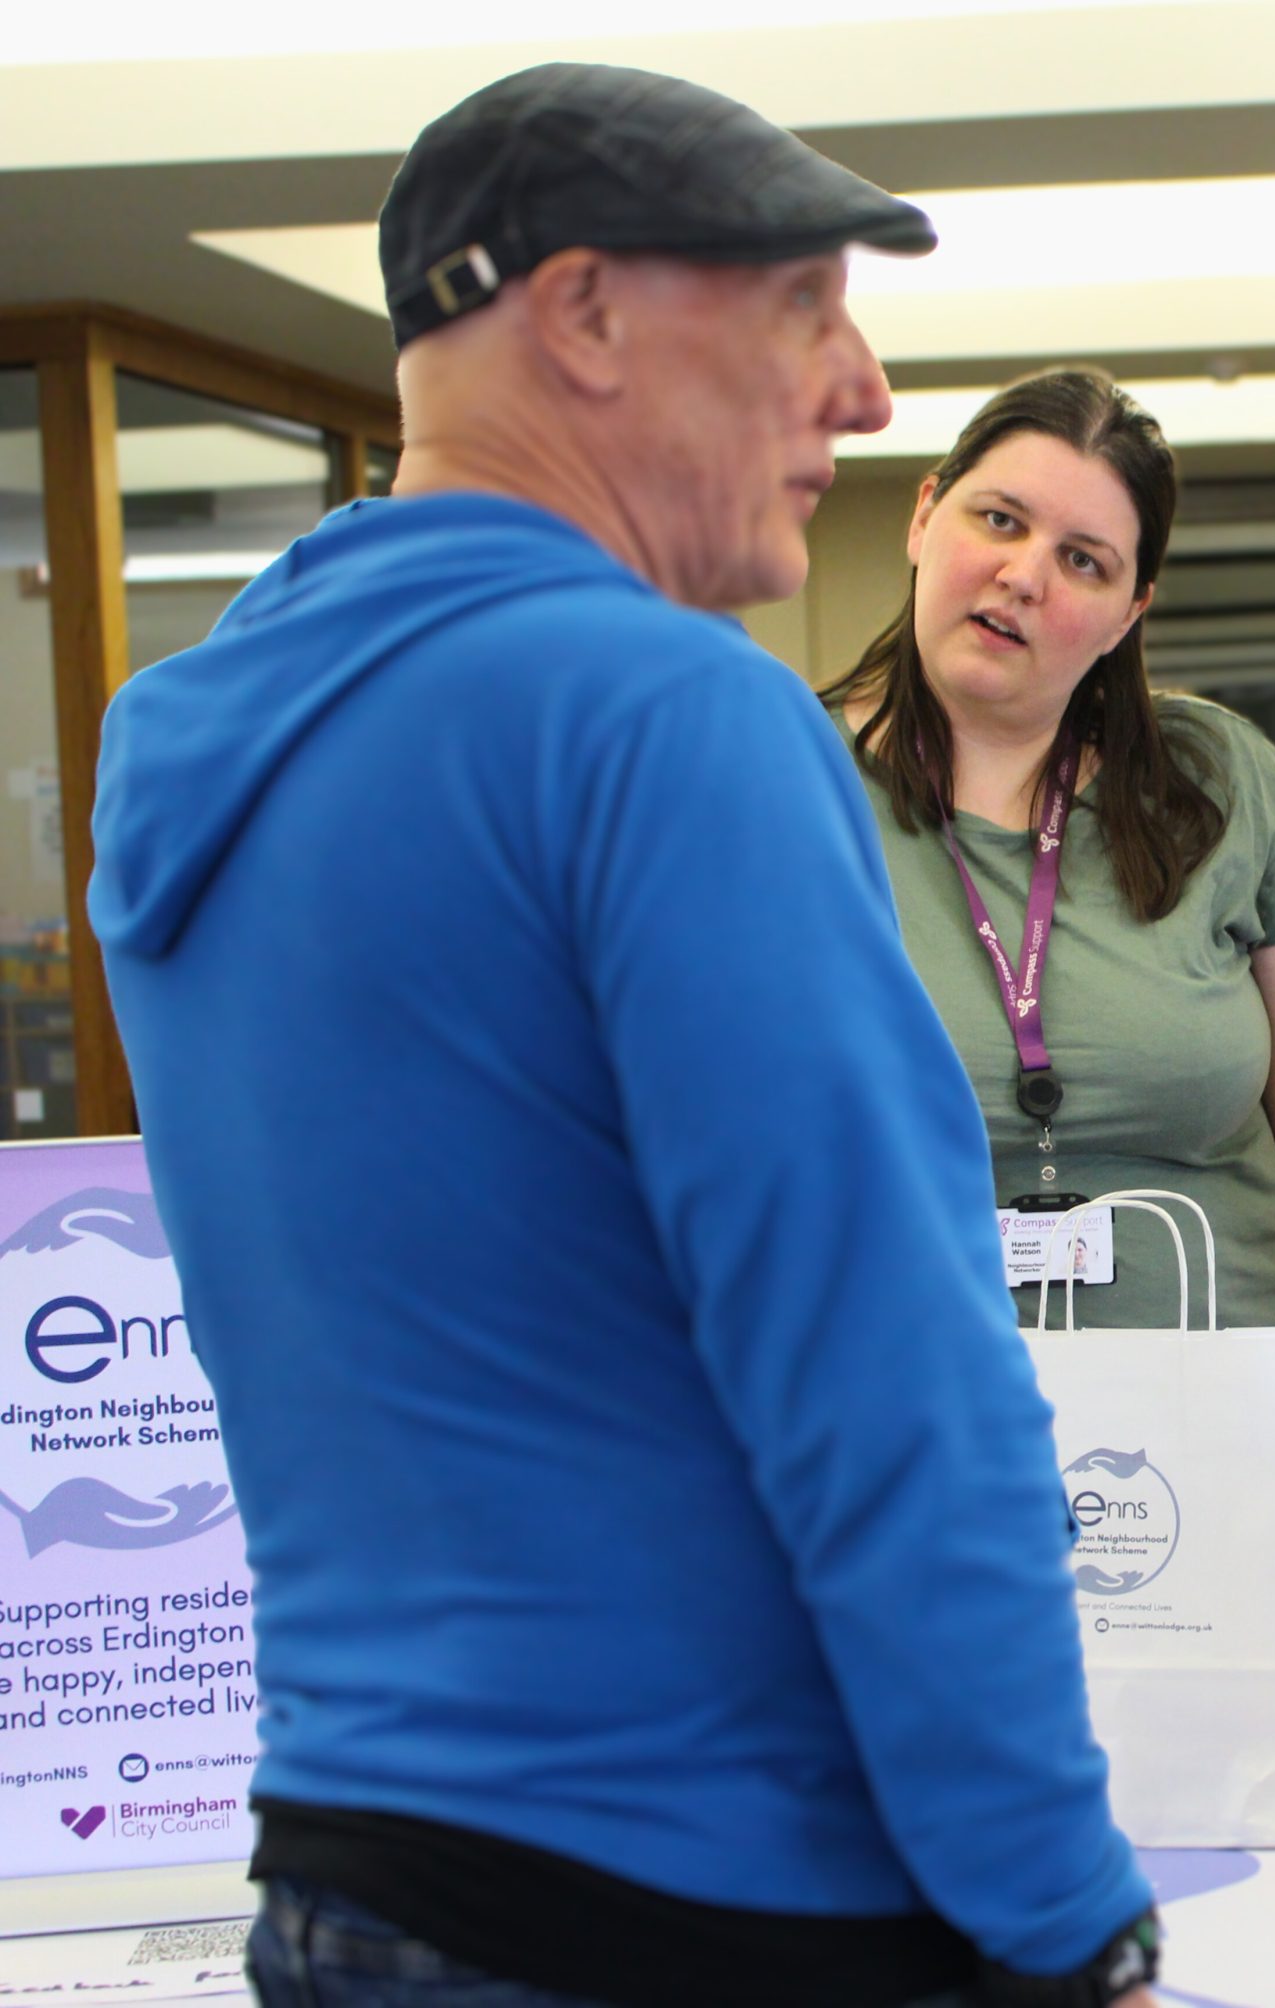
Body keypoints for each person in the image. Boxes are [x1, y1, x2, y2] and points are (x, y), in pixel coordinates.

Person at [90, 66, 1157, 2008]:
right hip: (696, 1893)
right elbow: (885, 1381)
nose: (858, 391)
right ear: (576, 313)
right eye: (798, 308)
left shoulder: (207, 735)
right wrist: (1066, 1905)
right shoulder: (666, 716)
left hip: (355, 1869)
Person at [820, 369, 1275, 1618]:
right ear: (924, 515)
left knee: (1232, 1806)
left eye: (1084, 559)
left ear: (1129, 610)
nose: (1022, 576)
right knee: (934, 1806)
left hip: (1223, 1434)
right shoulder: (777, 788)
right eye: (996, 521)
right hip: (901, 1441)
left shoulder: (1219, 783)